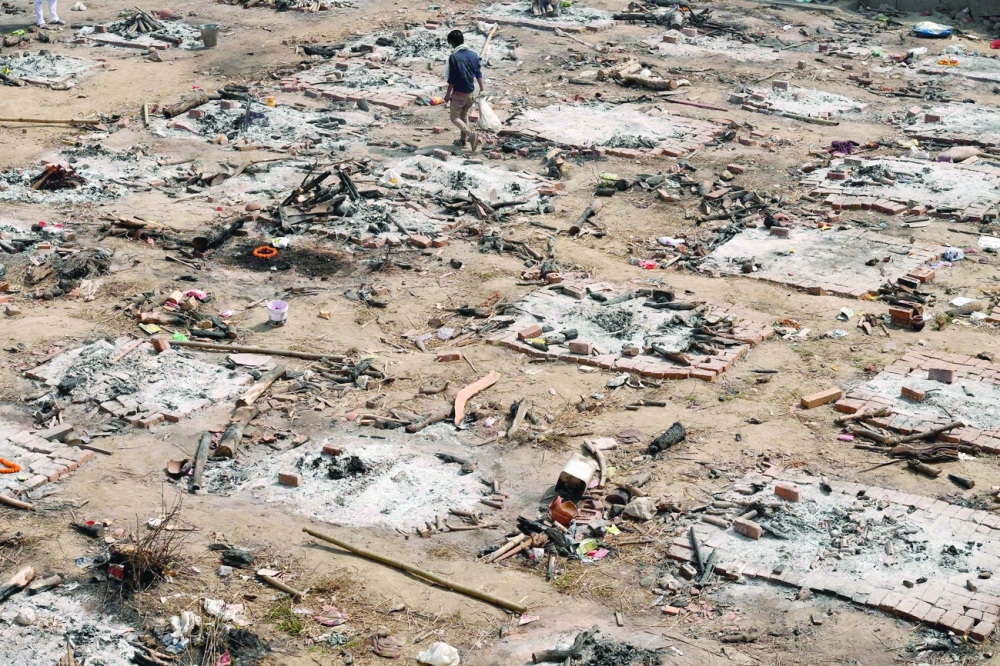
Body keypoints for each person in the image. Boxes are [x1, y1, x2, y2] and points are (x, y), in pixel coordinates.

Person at [443, 30, 484, 152]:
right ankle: (463, 141)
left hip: (458, 94)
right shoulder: (474, 55)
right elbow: (478, 73)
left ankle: (471, 135)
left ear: (453, 43)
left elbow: (452, 78)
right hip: (470, 93)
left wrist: (447, 94)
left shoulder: (454, 57)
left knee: (454, 118)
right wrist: (482, 89)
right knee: (463, 115)